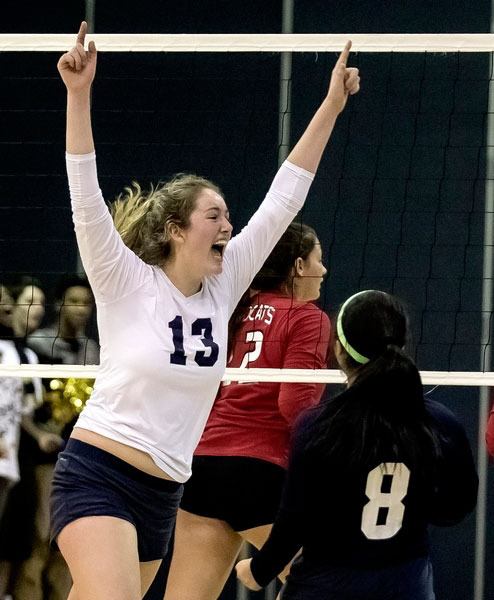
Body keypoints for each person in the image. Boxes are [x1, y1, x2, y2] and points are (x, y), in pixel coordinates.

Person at [51, 21, 359, 600]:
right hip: (99, 473)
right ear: (175, 230)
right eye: (214, 216)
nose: (229, 226)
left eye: (227, 216)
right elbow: (84, 196)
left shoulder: (223, 287)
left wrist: (331, 106)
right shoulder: (124, 280)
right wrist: (78, 95)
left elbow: (285, 195)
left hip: (165, 491)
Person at [236, 290, 478, 600]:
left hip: (327, 584)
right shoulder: (439, 423)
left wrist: (257, 572)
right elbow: (457, 506)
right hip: (407, 584)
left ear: (338, 350)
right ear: (401, 346)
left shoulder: (318, 426)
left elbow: (293, 522)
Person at [163, 222, 330, 600]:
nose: (324, 270)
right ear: (299, 266)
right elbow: (296, 405)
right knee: (333, 587)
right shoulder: (308, 317)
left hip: (202, 465)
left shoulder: (231, 310)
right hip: (260, 471)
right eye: (319, 260)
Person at [27, 273, 99, 366]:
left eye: (86, 303)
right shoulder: (38, 342)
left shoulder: (90, 349)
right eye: (74, 301)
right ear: (58, 304)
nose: (81, 309)